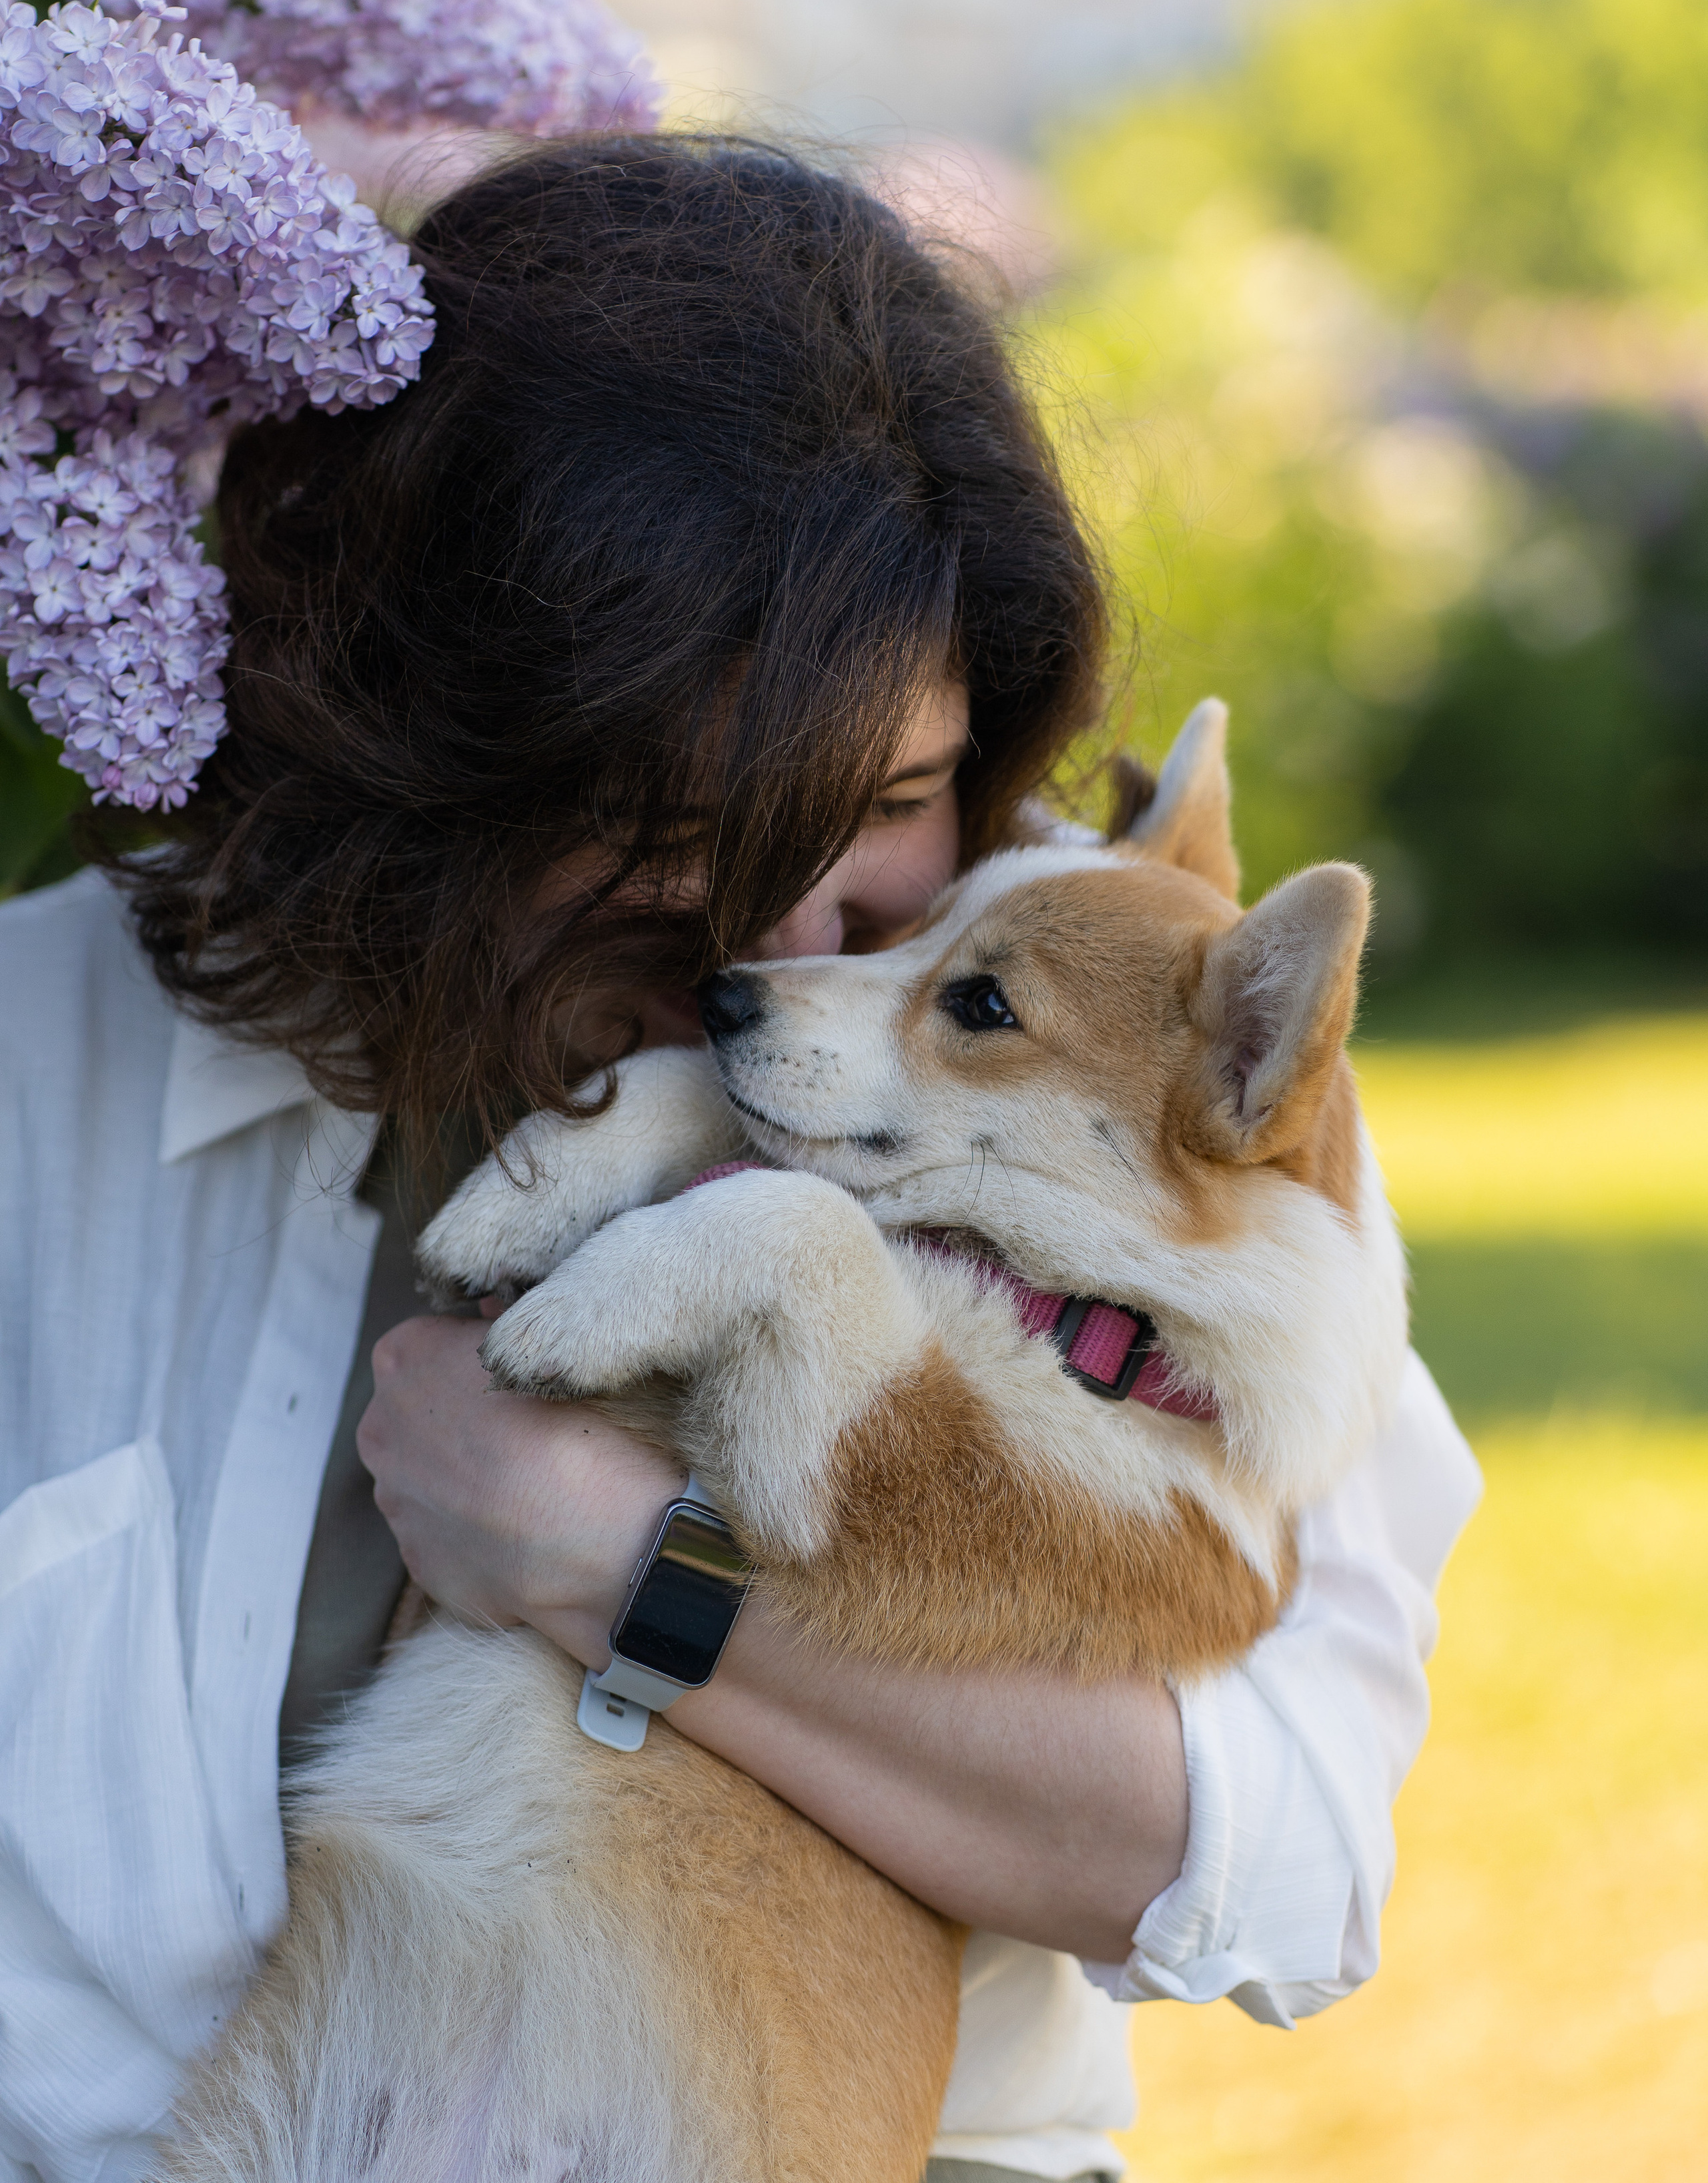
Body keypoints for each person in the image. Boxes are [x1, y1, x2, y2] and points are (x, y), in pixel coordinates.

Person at [0, 136, 1480, 2183]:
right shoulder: (42, 1065)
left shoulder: (1115, 1072)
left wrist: (623, 1571)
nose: (788, 949)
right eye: (674, 828)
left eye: (890, 797)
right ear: (430, 767)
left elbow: (1284, 1858)